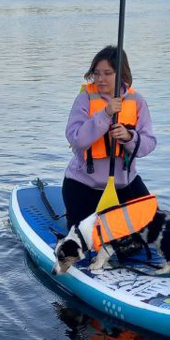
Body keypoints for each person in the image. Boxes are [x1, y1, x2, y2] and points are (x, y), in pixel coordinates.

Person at [63, 45, 157, 229]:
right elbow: (76, 139)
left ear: (121, 74)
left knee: (153, 225)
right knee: (85, 240)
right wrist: (105, 114)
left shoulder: (136, 100)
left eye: (107, 73)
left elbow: (149, 144)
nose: (100, 79)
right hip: (83, 186)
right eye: (97, 73)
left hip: (124, 185)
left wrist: (130, 137)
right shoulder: (85, 99)